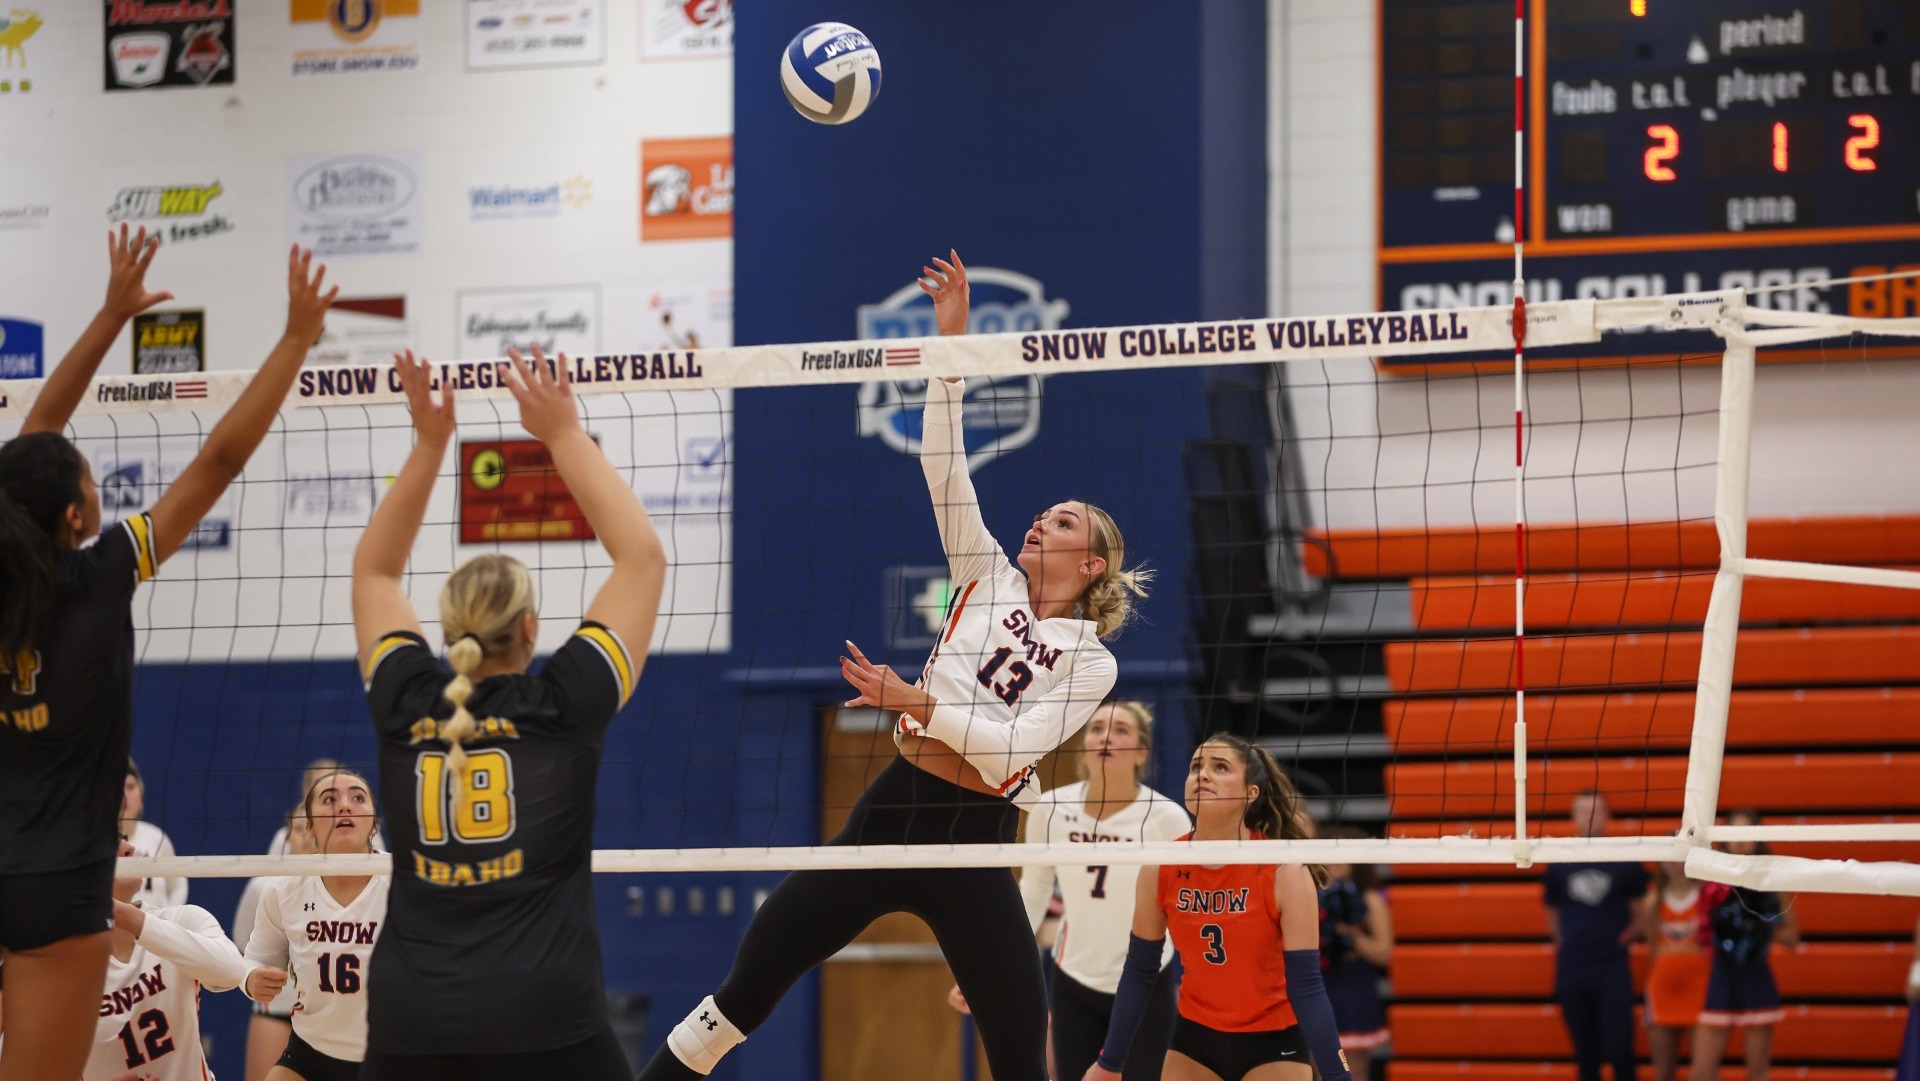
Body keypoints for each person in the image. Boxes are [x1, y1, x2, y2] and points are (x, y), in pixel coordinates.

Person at [637, 250, 1147, 1081]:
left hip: (976, 841)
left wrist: (916, 697)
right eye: (1043, 515)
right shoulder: (985, 571)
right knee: (748, 983)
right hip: (894, 808)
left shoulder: (1091, 662)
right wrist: (950, 354)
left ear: (1092, 564)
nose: (1038, 524)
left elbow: (1013, 753)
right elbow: (942, 467)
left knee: (1023, 1053)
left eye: (1060, 525)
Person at [0, 239, 336, 1081]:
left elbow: (35, 436)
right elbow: (218, 461)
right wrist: (295, 339)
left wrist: (111, 315)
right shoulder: (103, 573)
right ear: (79, 509)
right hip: (60, 893)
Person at [351, 347, 665, 1080]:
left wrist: (430, 442)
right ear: (530, 629)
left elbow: (374, 570)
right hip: (543, 1017)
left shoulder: (402, 700)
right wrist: (562, 434)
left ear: (447, 624)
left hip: (410, 1019)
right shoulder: (566, 704)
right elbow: (642, 558)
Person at [1082, 734, 1352, 1081]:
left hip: (1273, 1041)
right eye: (1196, 766)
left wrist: (1337, 1075)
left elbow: (1307, 985)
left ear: (1250, 793)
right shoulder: (1160, 865)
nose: (1202, 775)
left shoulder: (1284, 869)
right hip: (1195, 1040)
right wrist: (1110, 1063)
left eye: (1219, 767)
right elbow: (1139, 970)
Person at [950, 700, 1191, 1081]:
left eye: (1121, 730)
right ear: (1084, 744)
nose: (1105, 736)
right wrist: (986, 973)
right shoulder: (1051, 809)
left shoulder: (1167, 818)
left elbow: (1185, 908)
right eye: (1096, 728)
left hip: (1145, 982)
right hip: (1074, 981)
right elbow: (1032, 895)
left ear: (1141, 751)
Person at [83, 840, 283, 1081]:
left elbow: (232, 970)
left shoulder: (184, 919)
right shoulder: (64, 963)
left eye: (123, 837)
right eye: (109, 841)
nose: (127, 847)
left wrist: (132, 920)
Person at [241, 768, 390, 1081]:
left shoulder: (402, 884)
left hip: (392, 1053)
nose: (345, 805)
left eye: (358, 797)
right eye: (329, 799)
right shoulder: (283, 891)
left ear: (374, 823)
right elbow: (253, 961)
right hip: (312, 1051)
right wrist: (249, 977)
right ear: (308, 825)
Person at [1542, 792, 1651, 1081]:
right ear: (1572, 817)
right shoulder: (1559, 860)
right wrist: (1562, 938)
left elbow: (1641, 909)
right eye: (1583, 811)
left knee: (1619, 1049)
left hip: (1611, 966)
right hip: (1572, 965)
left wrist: (1625, 937)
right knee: (1585, 1054)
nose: (1589, 817)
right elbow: (1551, 906)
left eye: (1596, 811)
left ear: (1607, 816)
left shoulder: (1624, 860)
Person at [1691, 810, 1797, 1081]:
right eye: (1733, 833)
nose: (1739, 841)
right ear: (1723, 838)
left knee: (1758, 1074)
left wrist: (1755, 927)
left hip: (1756, 977)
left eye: (1746, 834)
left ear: (1757, 837)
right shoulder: (1711, 879)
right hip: (1721, 976)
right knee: (1701, 1072)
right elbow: (1699, 934)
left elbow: (1791, 937)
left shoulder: (1773, 881)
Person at [235, 808, 315, 1081]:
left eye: (311, 826)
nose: (305, 835)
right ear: (287, 837)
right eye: (298, 829)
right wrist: (253, 974)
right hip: (277, 1012)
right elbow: (244, 947)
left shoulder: (357, 883)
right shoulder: (264, 887)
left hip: (333, 1020)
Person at [1317, 825, 1392, 1081]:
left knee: (1353, 1072)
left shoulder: (1370, 898)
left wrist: (1349, 934)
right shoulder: (1307, 894)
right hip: (1317, 989)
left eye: (1343, 853)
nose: (1335, 860)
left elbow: (1384, 953)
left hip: (1353, 991)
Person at [1643, 861, 1709, 1081]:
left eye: (1678, 855)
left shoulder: (1708, 896)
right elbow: (1653, 948)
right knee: (1663, 1073)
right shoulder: (1652, 901)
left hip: (1702, 987)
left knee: (1703, 1073)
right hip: (1663, 989)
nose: (1672, 862)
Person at [120, 759, 187, 910]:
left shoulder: (157, 838)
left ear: (140, 793)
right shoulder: (94, 842)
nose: (124, 796)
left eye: (130, 787)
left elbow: (178, 884)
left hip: (153, 929)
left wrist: (169, 919)